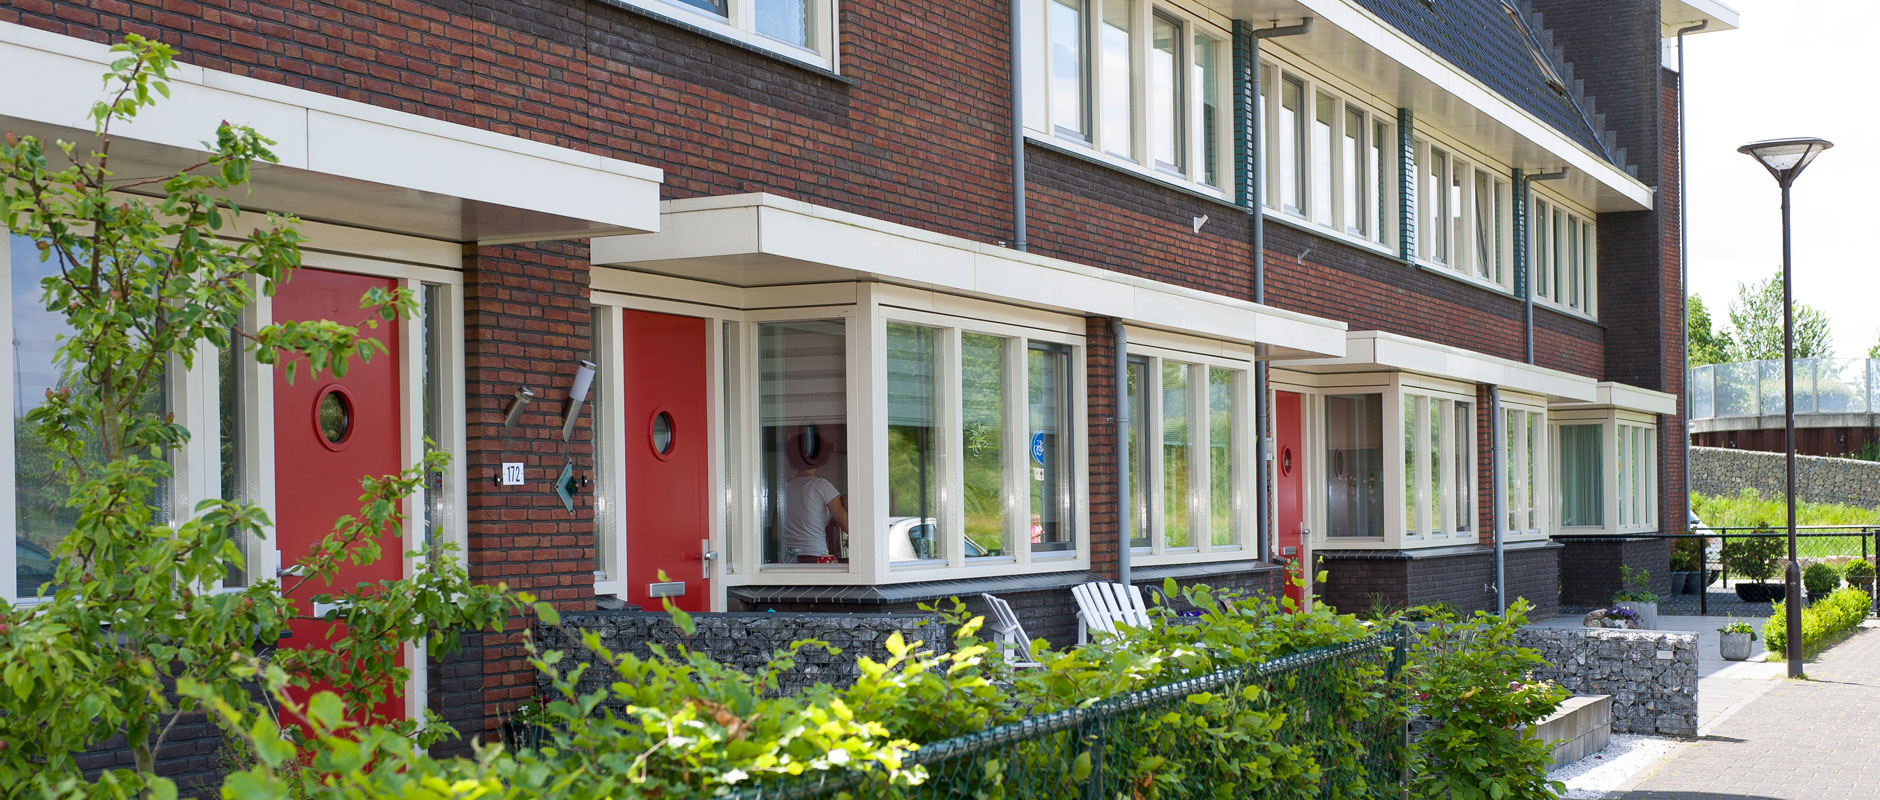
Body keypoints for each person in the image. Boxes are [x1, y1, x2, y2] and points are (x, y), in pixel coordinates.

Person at [783, 432, 848, 562]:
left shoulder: (783, 488)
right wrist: (846, 506)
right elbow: (847, 526)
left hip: (788, 558)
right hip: (815, 555)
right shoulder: (822, 486)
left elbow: (775, 532)